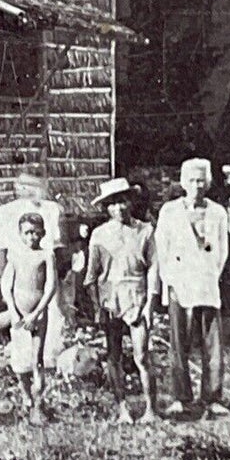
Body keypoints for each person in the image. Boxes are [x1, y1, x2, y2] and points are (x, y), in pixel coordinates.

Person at [155, 157, 230, 417]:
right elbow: (161, 250)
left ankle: (212, 397)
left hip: (207, 284)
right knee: (179, 342)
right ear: (183, 182)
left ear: (208, 183)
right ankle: (181, 397)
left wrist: (210, 275)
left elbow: (221, 251)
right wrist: (170, 281)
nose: (197, 185)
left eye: (201, 180)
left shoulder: (218, 212)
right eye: (192, 180)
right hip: (179, 283)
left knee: (212, 344)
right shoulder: (170, 211)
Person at [82, 177, 159, 425]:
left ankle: (151, 409)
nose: (119, 208)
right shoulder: (99, 235)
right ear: (106, 207)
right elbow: (91, 276)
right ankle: (122, 408)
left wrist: (149, 306)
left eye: (123, 202)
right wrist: (97, 307)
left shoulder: (145, 231)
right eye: (113, 204)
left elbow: (154, 270)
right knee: (114, 355)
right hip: (110, 300)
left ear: (131, 201)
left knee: (141, 355)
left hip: (136, 296)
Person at [0, 167, 74, 373]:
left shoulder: (54, 209)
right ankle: (23, 372)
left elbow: (61, 247)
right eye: (26, 185)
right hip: (19, 280)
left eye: (37, 185)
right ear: (17, 187)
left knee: (52, 324)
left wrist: (55, 279)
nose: (32, 191)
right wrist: (7, 281)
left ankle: (49, 369)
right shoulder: (6, 211)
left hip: (45, 276)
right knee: (20, 328)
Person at [0, 211, 58, 427]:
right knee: (18, 360)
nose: (32, 237)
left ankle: (39, 405)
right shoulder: (14, 255)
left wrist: (36, 313)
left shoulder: (46, 255)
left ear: (43, 233)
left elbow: (51, 286)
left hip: (38, 313)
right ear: (20, 234)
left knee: (37, 360)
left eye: (36, 232)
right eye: (28, 233)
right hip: (18, 313)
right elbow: (6, 285)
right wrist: (14, 311)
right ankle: (26, 396)